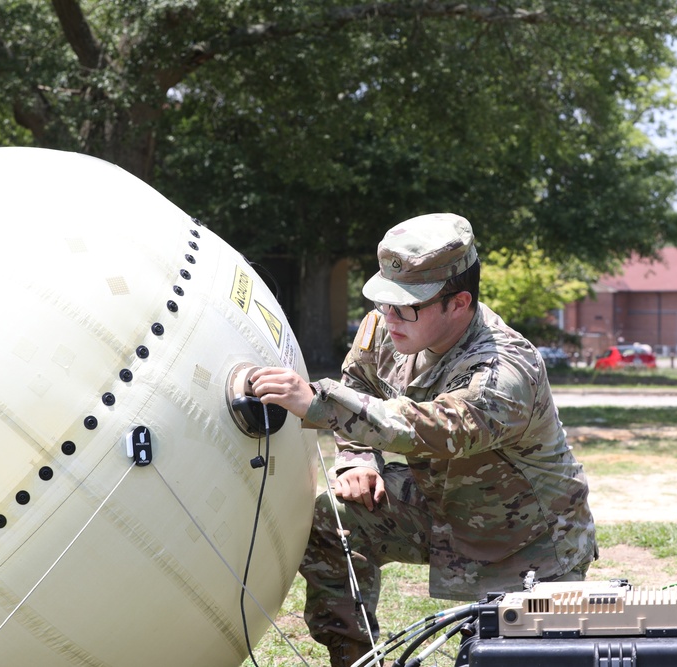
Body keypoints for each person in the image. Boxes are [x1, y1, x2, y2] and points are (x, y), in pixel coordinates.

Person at [249, 213, 597, 667]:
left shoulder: (504, 372)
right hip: (439, 508)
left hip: (527, 543)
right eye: (384, 302)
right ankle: (356, 660)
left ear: (459, 302)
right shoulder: (386, 330)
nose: (389, 317)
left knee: (504, 658)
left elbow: (427, 427)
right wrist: (358, 461)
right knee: (333, 518)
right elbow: (361, 386)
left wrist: (316, 401)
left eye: (407, 306)